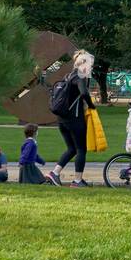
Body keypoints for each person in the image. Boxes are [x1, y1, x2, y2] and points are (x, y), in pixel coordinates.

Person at [48, 50, 96, 187]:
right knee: (81, 149)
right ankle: (77, 180)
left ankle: (54, 173)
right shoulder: (79, 76)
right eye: (91, 64)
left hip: (62, 119)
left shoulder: (68, 76)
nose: (91, 68)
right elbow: (84, 93)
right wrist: (92, 106)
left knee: (72, 149)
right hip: (74, 119)